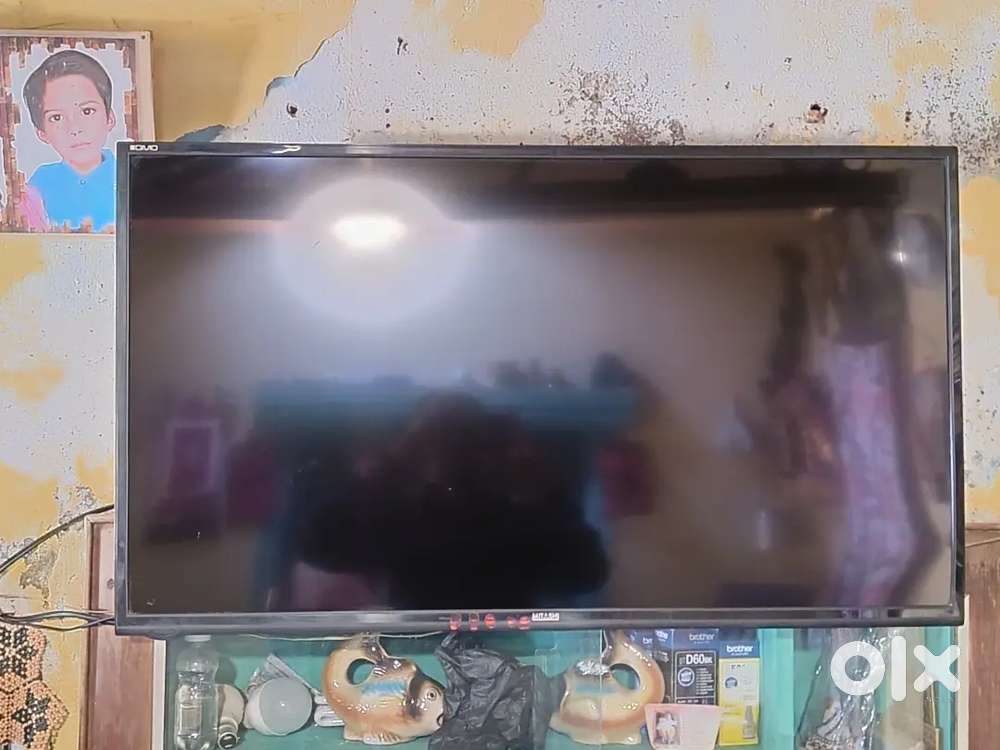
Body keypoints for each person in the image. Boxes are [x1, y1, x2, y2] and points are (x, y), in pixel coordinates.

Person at [21, 49, 117, 232]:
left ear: (110, 118)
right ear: (42, 133)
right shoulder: (38, 185)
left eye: (87, 111)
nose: (75, 128)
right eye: (56, 117)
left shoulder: (129, 175)